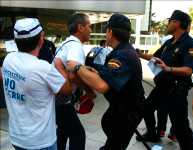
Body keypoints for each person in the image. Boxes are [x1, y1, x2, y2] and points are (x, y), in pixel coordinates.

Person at [67, 13, 145, 150]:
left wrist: (77, 67)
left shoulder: (123, 55)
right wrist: (94, 71)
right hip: (121, 107)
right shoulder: (121, 51)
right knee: (109, 124)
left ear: (110, 32)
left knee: (114, 143)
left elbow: (101, 86)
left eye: (106, 30)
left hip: (128, 112)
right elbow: (107, 75)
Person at [1, 18, 73, 150]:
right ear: (41, 38)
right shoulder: (43, 68)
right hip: (40, 142)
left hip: (17, 137)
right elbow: (67, 90)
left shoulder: (8, 60)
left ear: (16, 40)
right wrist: (60, 66)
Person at [136, 10, 193, 150]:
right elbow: (156, 57)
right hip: (162, 88)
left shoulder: (190, 44)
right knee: (146, 108)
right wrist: (138, 54)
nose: (167, 24)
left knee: (180, 127)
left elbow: (189, 70)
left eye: (169, 21)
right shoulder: (170, 42)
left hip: (176, 91)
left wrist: (168, 69)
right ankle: (152, 133)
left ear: (176, 23)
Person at [54, 13, 93, 150]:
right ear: (80, 27)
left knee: (63, 132)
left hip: (57, 97)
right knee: (78, 135)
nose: (91, 30)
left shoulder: (66, 43)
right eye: (89, 26)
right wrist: (89, 91)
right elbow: (72, 75)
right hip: (63, 99)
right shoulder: (76, 46)